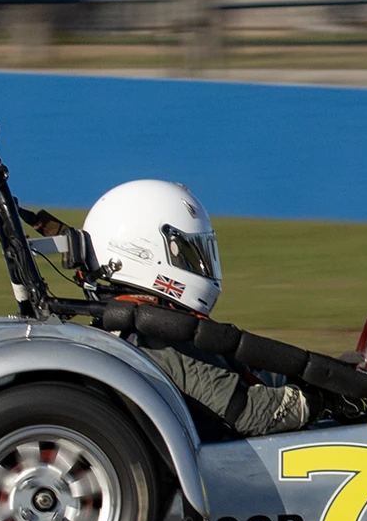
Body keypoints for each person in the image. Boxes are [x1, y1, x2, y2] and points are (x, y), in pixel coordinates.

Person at [80, 180, 312, 439]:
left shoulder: (127, 325)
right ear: (144, 252)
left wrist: (322, 374)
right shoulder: (159, 337)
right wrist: (323, 400)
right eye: (184, 252)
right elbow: (249, 413)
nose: (196, 263)